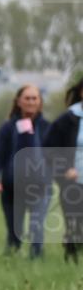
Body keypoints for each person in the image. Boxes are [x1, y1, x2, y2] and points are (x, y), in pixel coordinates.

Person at [0, 84, 51, 259]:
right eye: (27, 98)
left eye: (34, 98)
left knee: (36, 230)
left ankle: (36, 263)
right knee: (15, 234)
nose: (31, 102)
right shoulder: (8, 128)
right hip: (12, 189)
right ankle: (10, 261)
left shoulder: (47, 128)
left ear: (40, 102)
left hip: (40, 188)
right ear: (18, 102)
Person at [43, 76, 83, 263]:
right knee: (75, 224)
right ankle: (72, 258)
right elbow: (48, 149)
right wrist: (64, 169)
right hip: (73, 183)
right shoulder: (68, 119)